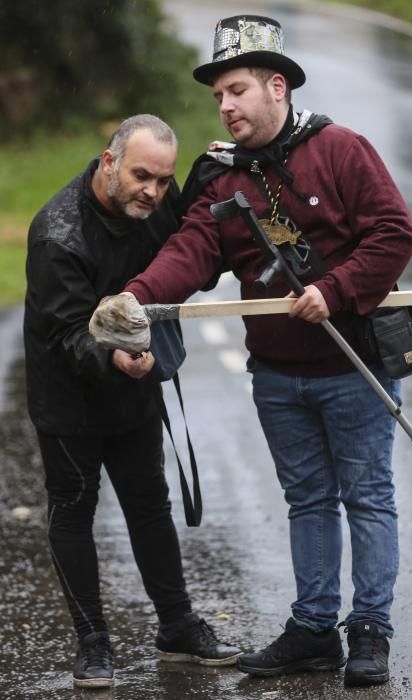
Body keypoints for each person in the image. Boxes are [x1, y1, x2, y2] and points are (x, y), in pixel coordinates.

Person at [89, 17, 412, 689]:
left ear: (275, 87)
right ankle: (313, 629)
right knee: (307, 501)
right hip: (275, 374)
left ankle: (369, 631)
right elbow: (191, 252)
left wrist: (336, 288)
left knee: (367, 496)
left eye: (236, 90)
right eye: (217, 97)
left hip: (353, 366)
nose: (226, 106)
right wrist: (136, 296)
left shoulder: (341, 150)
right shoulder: (218, 178)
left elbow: (393, 232)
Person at [23, 114, 241, 689]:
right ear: (109, 160)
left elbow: (189, 248)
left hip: (134, 384)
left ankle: (176, 627)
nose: (153, 191)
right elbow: (70, 334)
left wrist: (205, 180)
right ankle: (93, 642)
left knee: (150, 505)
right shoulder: (57, 234)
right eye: (143, 175)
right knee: (73, 511)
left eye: (164, 180)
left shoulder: (154, 204)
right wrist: (115, 357)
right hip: (69, 394)